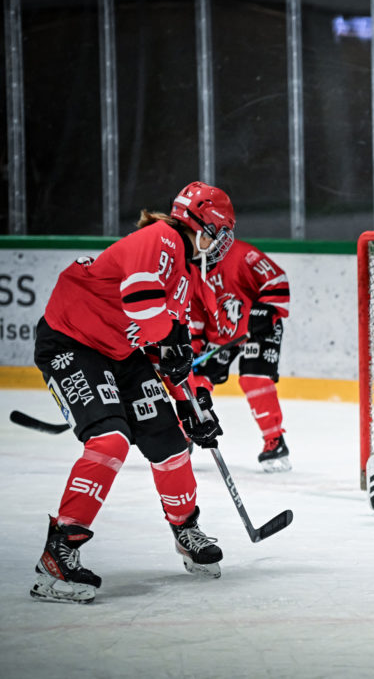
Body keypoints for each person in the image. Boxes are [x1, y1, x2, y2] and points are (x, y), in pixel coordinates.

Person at [30, 181, 233, 603]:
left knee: (171, 440)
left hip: (121, 352)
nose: (220, 244)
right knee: (110, 440)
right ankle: (59, 552)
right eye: (220, 233)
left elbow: (169, 351)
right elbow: (141, 300)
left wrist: (192, 402)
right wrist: (172, 337)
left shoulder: (187, 274)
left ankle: (186, 530)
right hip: (72, 342)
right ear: (202, 224)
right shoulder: (160, 238)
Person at [190, 238, 292, 471]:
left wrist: (265, 310)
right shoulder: (190, 269)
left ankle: (275, 440)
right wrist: (193, 350)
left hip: (258, 328)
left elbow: (276, 279)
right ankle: (185, 431)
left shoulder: (242, 254)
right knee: (194, 379)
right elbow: (195, 314)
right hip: (221, 334)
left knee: (253, 380)